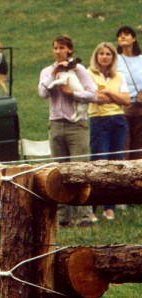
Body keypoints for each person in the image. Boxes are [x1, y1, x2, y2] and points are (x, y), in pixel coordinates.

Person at [38, 35, 109, 226]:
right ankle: (63, 217)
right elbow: (42, 93)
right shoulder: (47, 71)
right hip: (55, 124)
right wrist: (54, 73)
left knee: (80, 170)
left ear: (70, 50)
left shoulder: (80, 70)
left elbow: (93, 94)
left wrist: (73, 94)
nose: (58, 51)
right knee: (59, 172)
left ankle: (85, 215)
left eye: (62, 48)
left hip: (76, 125)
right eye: (55, 48)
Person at [87, 41, 130, 220]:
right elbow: (95, 98)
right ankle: (93, 205)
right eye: (101, 53)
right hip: (99, 120)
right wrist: (115, 96)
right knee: (99, 162)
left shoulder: (118, 76)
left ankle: (109, 207)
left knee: (115, 162)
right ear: (96, 56)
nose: (104, 57)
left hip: (118, 121)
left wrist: (109, 94)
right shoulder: (88, 74)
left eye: (108, 54)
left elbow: (126, 100)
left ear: (113, 57)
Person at [116, 26, 142, 160]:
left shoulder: (141, 59)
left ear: (134, 38)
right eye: (119, 35)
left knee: (139, 147)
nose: (122, 37)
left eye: (126, 34)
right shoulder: (114, 59)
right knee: (124, 146)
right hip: (122, 107)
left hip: (140, 108)